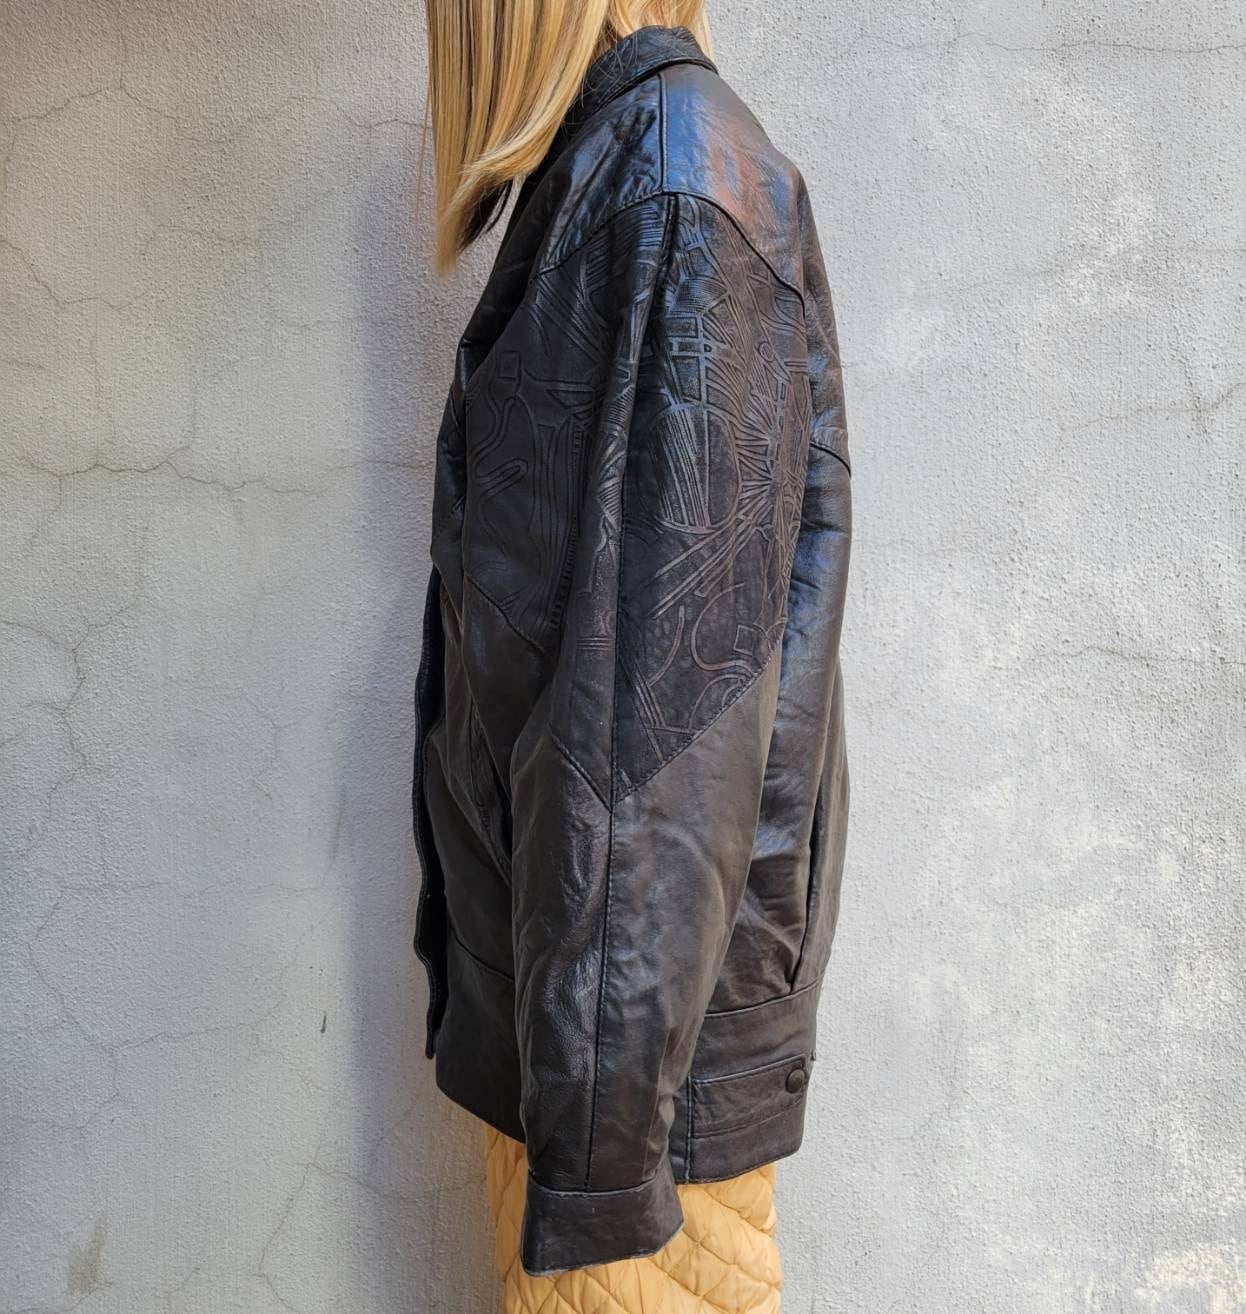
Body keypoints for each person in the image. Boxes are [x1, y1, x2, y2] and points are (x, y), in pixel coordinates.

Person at [411, 5, 853, 1310]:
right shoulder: (627, 171)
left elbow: (656, 746)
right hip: (589, 1057)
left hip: (627, 1101)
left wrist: (599, 1162)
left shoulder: (669, 183)